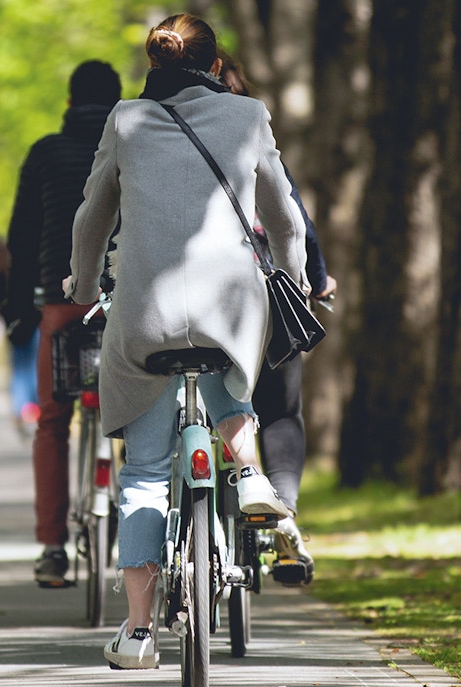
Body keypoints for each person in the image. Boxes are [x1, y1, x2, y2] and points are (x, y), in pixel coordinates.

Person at [63, 14, 306, 669]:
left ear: (154, 62)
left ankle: (139, 632)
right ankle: (250, 473)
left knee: (142, 473)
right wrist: (299, 281)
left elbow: (93, 216)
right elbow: (285, 218)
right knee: (232, 372)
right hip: (231, 308)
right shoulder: (249, 115)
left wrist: (83, 284)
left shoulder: (127, 120)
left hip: (145, 311)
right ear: (214, 58)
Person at [220, 54, 339, 587]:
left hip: (193, 306)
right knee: (282, 411)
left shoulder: (158, 132)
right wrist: (312, 277)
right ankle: (284, 514)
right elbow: (293, 216)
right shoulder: (249, 128)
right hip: (265, 291)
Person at [2, 60, 122, 587]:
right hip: (126, 303)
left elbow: (21, 237)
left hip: (62, 301)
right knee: (145, 425)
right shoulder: (136, 144)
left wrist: (18, 311)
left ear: (69, 103)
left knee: (52, 423)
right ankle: (145, 533)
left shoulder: (45, 153)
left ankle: (52, 547)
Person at [0, 237, 40, 438]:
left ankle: (21, 411)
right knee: (31, 369)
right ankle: (32, 409)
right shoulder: (19, 271)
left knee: (19, 370)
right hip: (32, 324)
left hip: (13, 329)